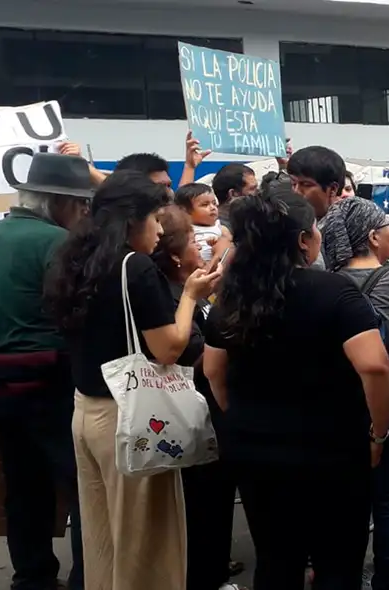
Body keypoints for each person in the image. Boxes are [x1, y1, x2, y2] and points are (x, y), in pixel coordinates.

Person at [202, 184, 389, 589]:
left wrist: (238, 418)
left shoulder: (231, 297)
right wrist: (378, 433)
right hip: (333, 451)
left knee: (275, 560)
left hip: (256, 451)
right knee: (338, 562)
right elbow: (375, 366)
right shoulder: (334, 291)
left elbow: (213, 371)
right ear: (304, 240)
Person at [44, 170, 221, 589]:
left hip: (85, 411)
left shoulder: (72, 257)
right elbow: (169, 349)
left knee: (102, 536)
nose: (161, 231)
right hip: (133, 417)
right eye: (156, 219)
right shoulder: (135, 268)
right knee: (146, 544)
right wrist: (191, 297)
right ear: (132, 219)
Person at [0, 153, 93, 590]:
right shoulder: (58, 244)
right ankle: (87, 576)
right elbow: (74, 316)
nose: (83, 212)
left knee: (23, 489)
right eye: (79, 205)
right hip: (56, 382)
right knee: (83, 485)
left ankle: (32, 577)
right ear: (56, 202)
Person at [321, 197, 389, 590]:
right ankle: (387, 579)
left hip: (342, 405)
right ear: (375, 237)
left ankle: (343, 576)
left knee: (346, 502)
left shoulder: (326, 281)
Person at [149, 206, 241, 590]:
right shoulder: (172, 297)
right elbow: (198, 356)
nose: (201, 245)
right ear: (173, 254)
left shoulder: (192, 286)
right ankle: (207, 577)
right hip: (193, 415)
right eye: (191, 240)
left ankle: (214, 569)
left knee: (213, 503)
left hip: (202, 415)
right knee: (204, 503)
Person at [287, 145, 348, 269]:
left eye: (306, 185)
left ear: (333, 189)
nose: (296, 191)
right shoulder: (288, 222)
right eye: (293, 184)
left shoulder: (352, 226)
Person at [175, 183, 232, 264]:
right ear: (185, 211)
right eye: (205, 205)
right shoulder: (187, 232)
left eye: (214, 203)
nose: (213, 208)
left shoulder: (220, 227)